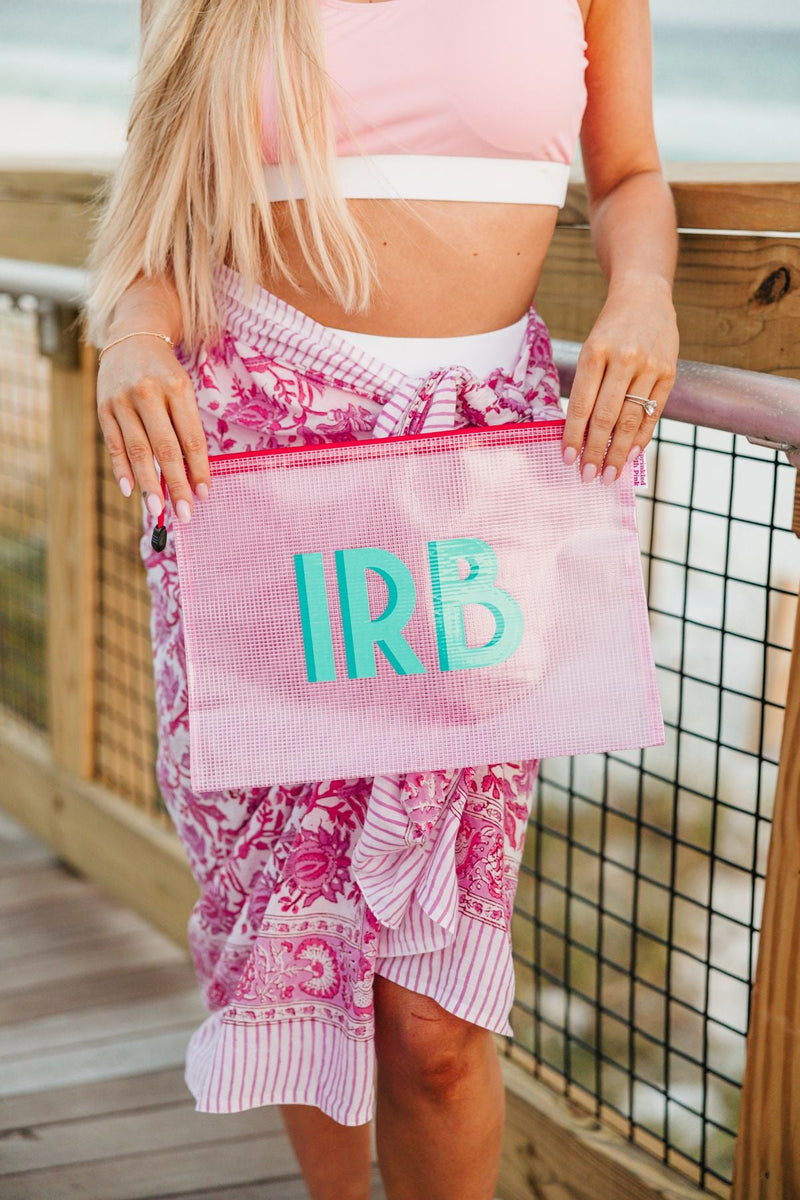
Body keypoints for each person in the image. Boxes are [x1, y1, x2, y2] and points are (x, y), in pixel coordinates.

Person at [86, 0, 679, 1197]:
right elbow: (161, 223)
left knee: (432, 1030)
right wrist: (133, 335)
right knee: (293, 956)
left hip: (475, 490)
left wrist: (642, 294)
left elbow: (626, 174)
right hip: (258, 479)